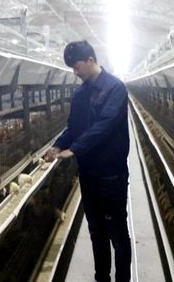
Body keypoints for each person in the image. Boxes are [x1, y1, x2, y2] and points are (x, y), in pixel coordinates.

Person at [45, 40, 131, 282]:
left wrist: (74, 149)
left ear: (91, 60)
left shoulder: (115, 88)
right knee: (97, 232)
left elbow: (105, 125)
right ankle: (101, 278)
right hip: (89, 174)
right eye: (72, 68)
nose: (75, 72)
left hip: (111, 174)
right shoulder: (80, 94)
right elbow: (73, 128)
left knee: (117, 233)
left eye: (77, 66)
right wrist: (58, 145)